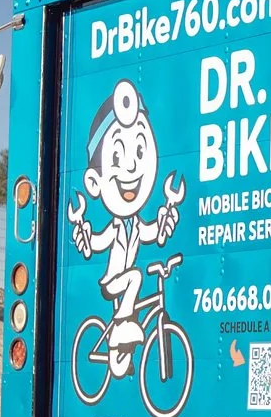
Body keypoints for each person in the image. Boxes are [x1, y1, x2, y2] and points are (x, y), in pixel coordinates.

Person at [66, 78, 184, 378]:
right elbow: (96, 242)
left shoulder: (135, 224)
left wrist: (169, 211)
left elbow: (153, 232)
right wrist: (81, 228)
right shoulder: (118, 227)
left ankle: (122, 348)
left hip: (125, 285)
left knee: (134, 282)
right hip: (112, 282)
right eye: (117, 156)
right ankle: (121, 327)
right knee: (133, 276)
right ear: (94, 182)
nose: (131, 168)